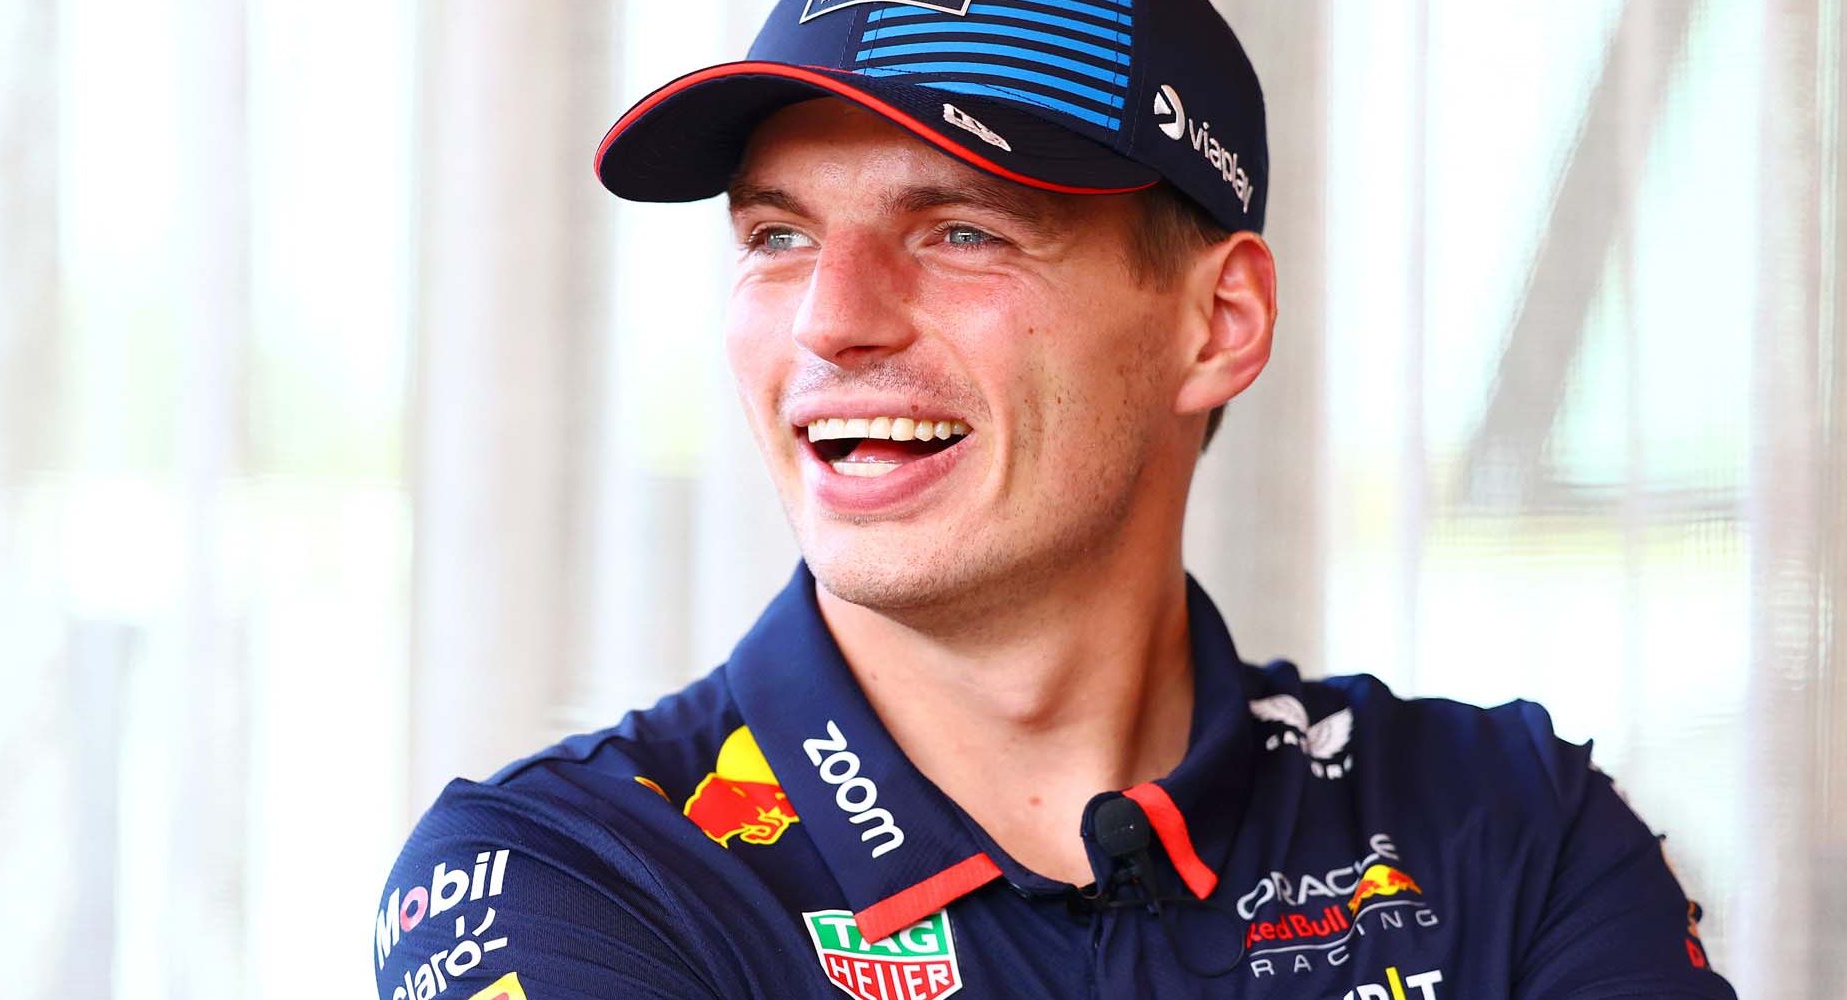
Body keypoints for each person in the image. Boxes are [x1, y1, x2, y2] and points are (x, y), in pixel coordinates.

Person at [373, 2, 1738, 997]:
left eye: (960, 229)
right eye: (777, 236)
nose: (830, 321)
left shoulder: (1506, 830)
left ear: (1218, 322)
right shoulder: (567, 882)